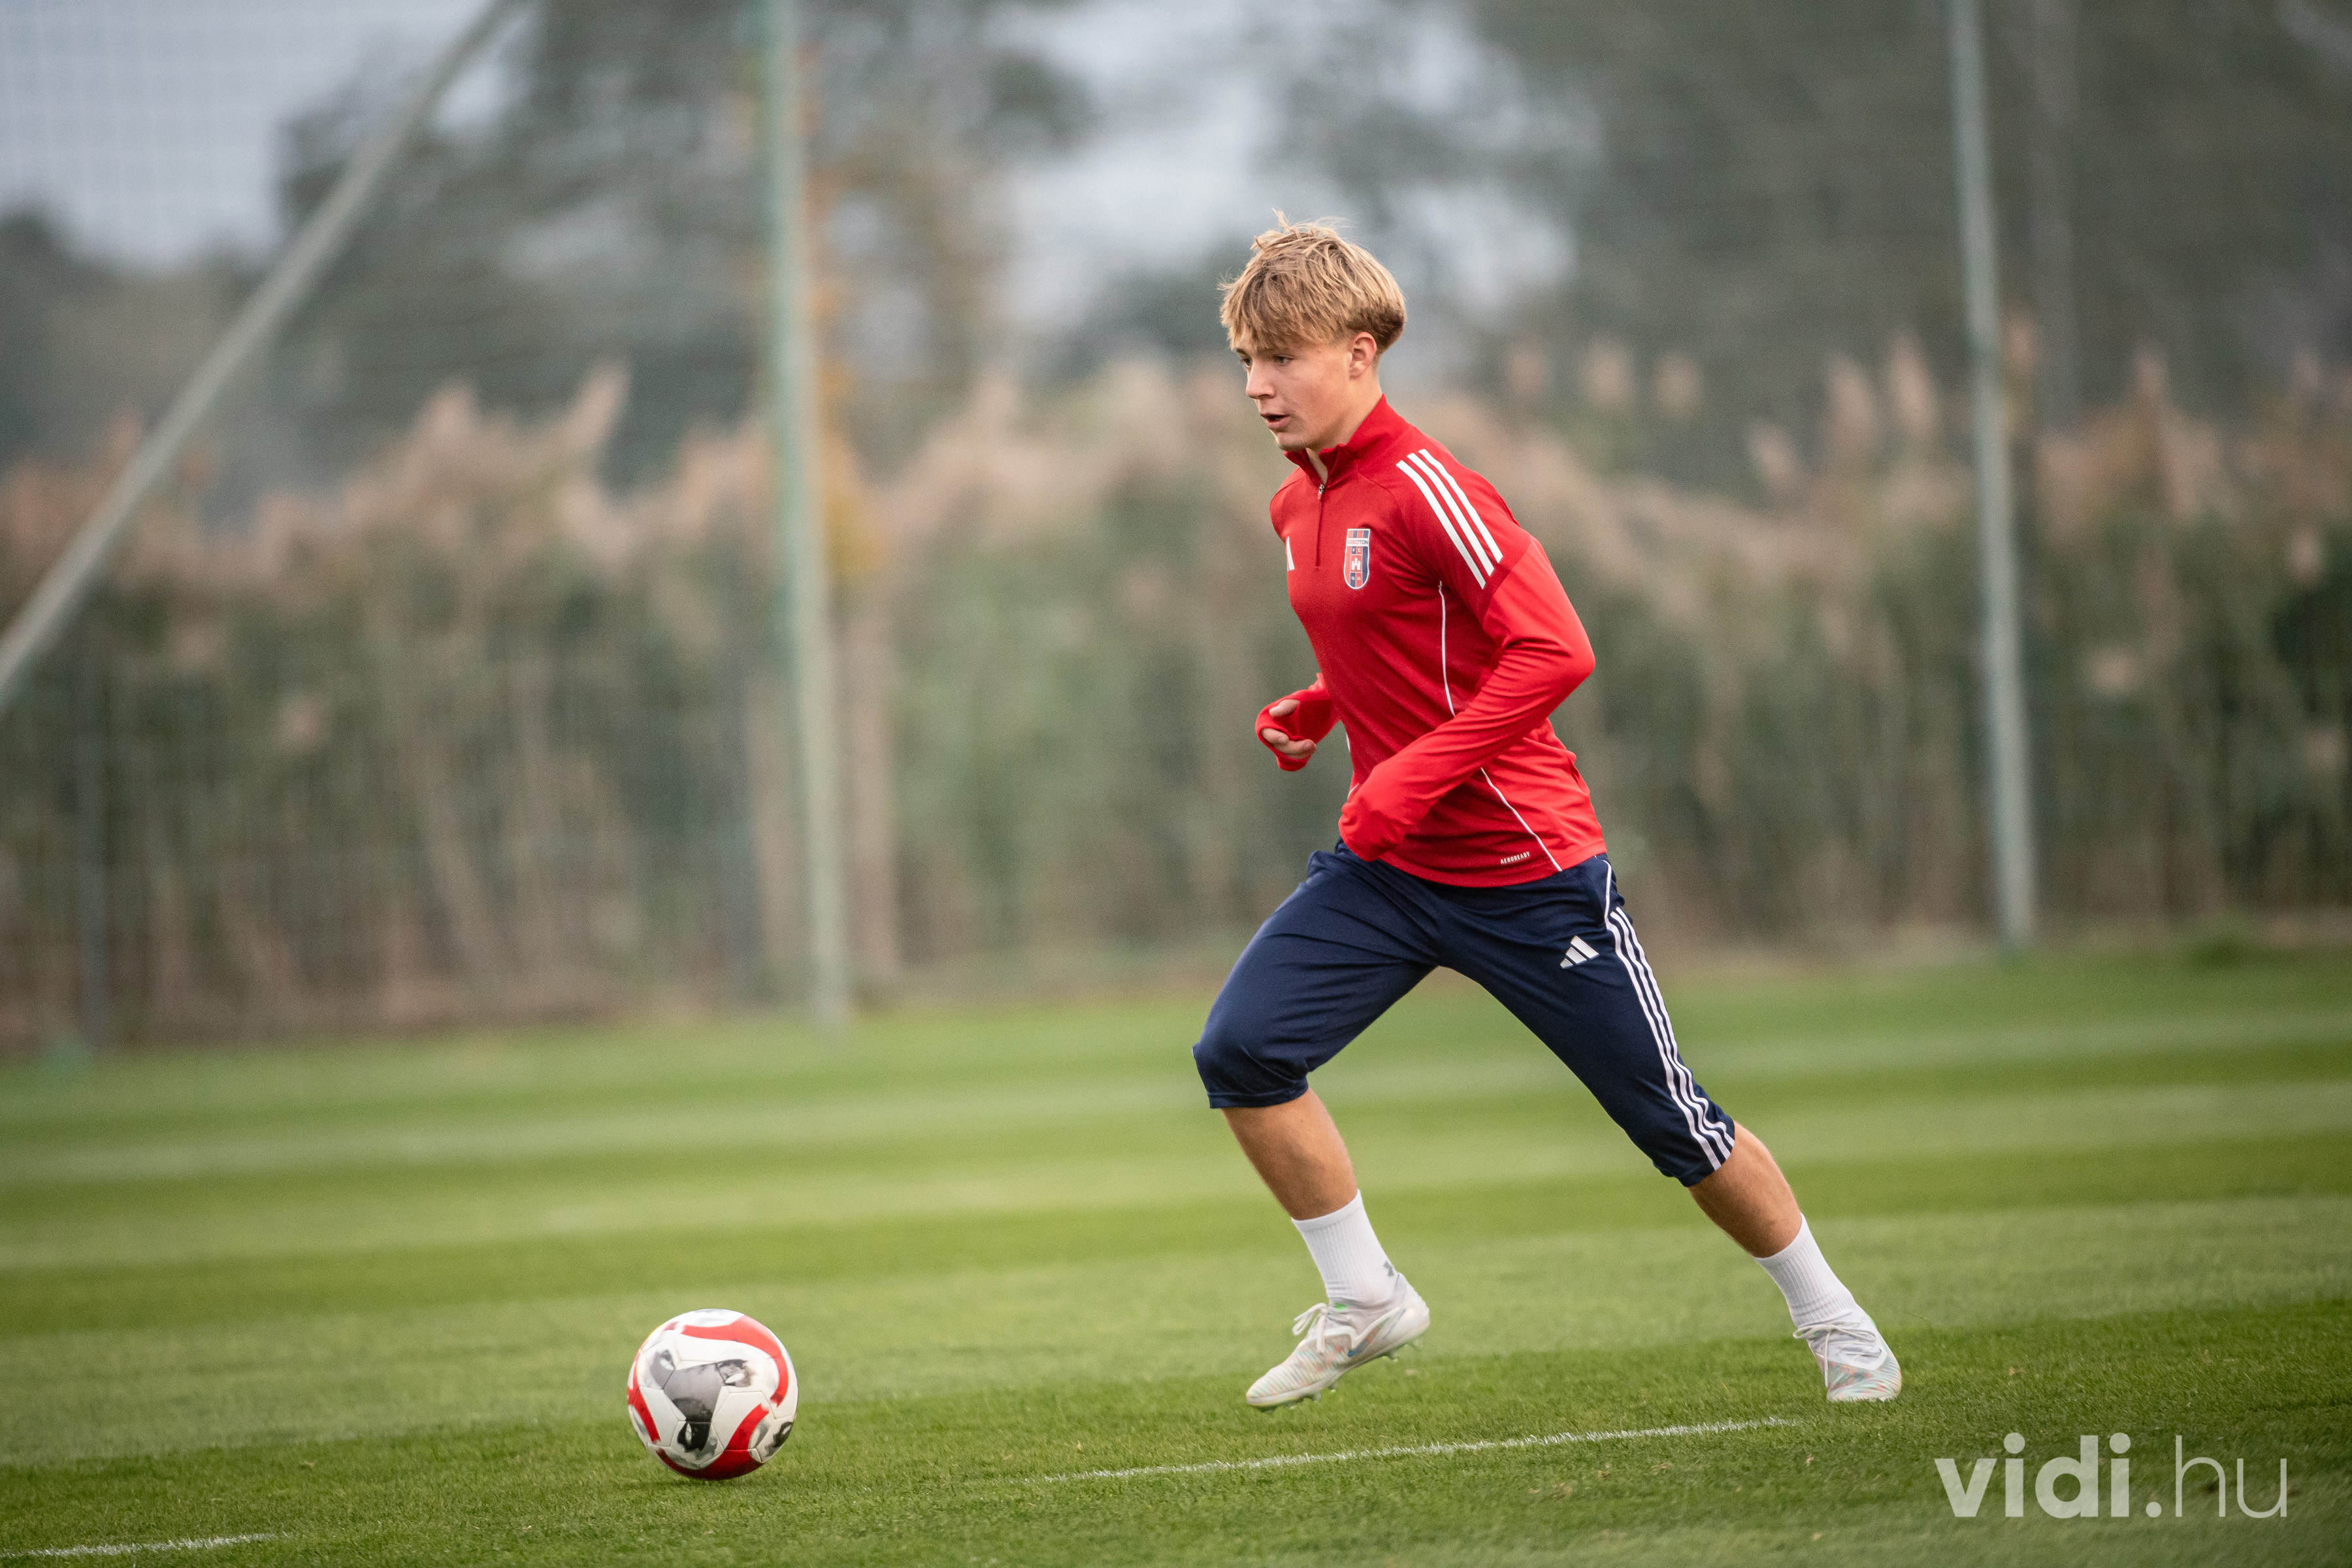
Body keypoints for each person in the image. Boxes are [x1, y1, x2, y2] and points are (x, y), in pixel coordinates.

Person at [1193, 219, 1901, 1411]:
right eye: (1248, 361)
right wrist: (1322, 704)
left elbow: (1555, 650)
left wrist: (1412, 773)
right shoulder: (1294, 507)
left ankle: (1837, 1322)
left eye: (1285, 358)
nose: (1259, 385)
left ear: (1361, 353)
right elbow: (1408, 649)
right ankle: (1367, 1299)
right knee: (1242, 1052)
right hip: (1387, 870)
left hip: (1527, 870)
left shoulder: (1430, 488)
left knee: (1673, 1123)